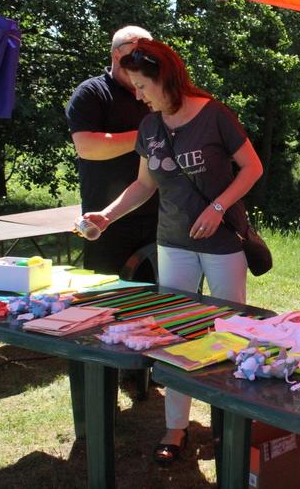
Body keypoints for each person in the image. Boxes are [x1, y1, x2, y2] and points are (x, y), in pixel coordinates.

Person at [82, 38, 263, 465]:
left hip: (222, 243)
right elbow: (144, 185)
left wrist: (218, 208)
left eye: (143, 86)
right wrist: (107, 215)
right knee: (174, 334)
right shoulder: (149, 126)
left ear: (165, 78)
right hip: (173, 243)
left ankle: (227, 423)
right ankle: (175, 427)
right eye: (134, 87)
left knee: (228, 332)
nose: (138, 96)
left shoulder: (215, 115)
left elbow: (252, 168)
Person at [66, 26, 158, 280]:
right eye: (137, 51)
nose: (144, 59)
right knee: (107, 295)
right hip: (107, 219)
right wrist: (147, 136)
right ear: (117, 54)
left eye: (149, 53)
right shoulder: (92, 92)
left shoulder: (155, 91)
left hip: (160, 216)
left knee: (161, 297)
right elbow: (87, 148)